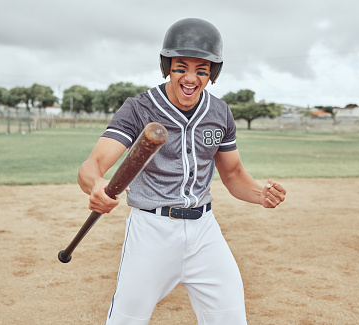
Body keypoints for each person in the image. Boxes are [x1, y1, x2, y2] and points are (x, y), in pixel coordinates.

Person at [77, 17, 286, 325]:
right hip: (152, 231)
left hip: (205, 232)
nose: (191, 78)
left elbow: (232, 174)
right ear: (167, 67)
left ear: (212, 73)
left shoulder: (219, 113)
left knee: (230, 318)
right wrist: (95, 185)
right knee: (126, 320)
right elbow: (92, 165)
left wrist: (260, 194)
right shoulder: (139, 109)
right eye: (181, 67)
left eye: (201, 70)